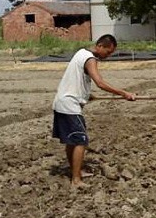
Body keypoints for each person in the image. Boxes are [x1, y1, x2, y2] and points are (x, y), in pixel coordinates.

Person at [52, 34, 136, 188]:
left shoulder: (81, 53)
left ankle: (75, 172)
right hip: (69, 105)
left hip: (62, 102)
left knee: (72, 140)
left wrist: (86, 95)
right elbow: (100, 82)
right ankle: (76, 180)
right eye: (108, 52)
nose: (108, 56)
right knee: (80, 140)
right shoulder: (90, 59)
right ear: (100, 46)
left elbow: (76, 79)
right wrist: (124, 93)